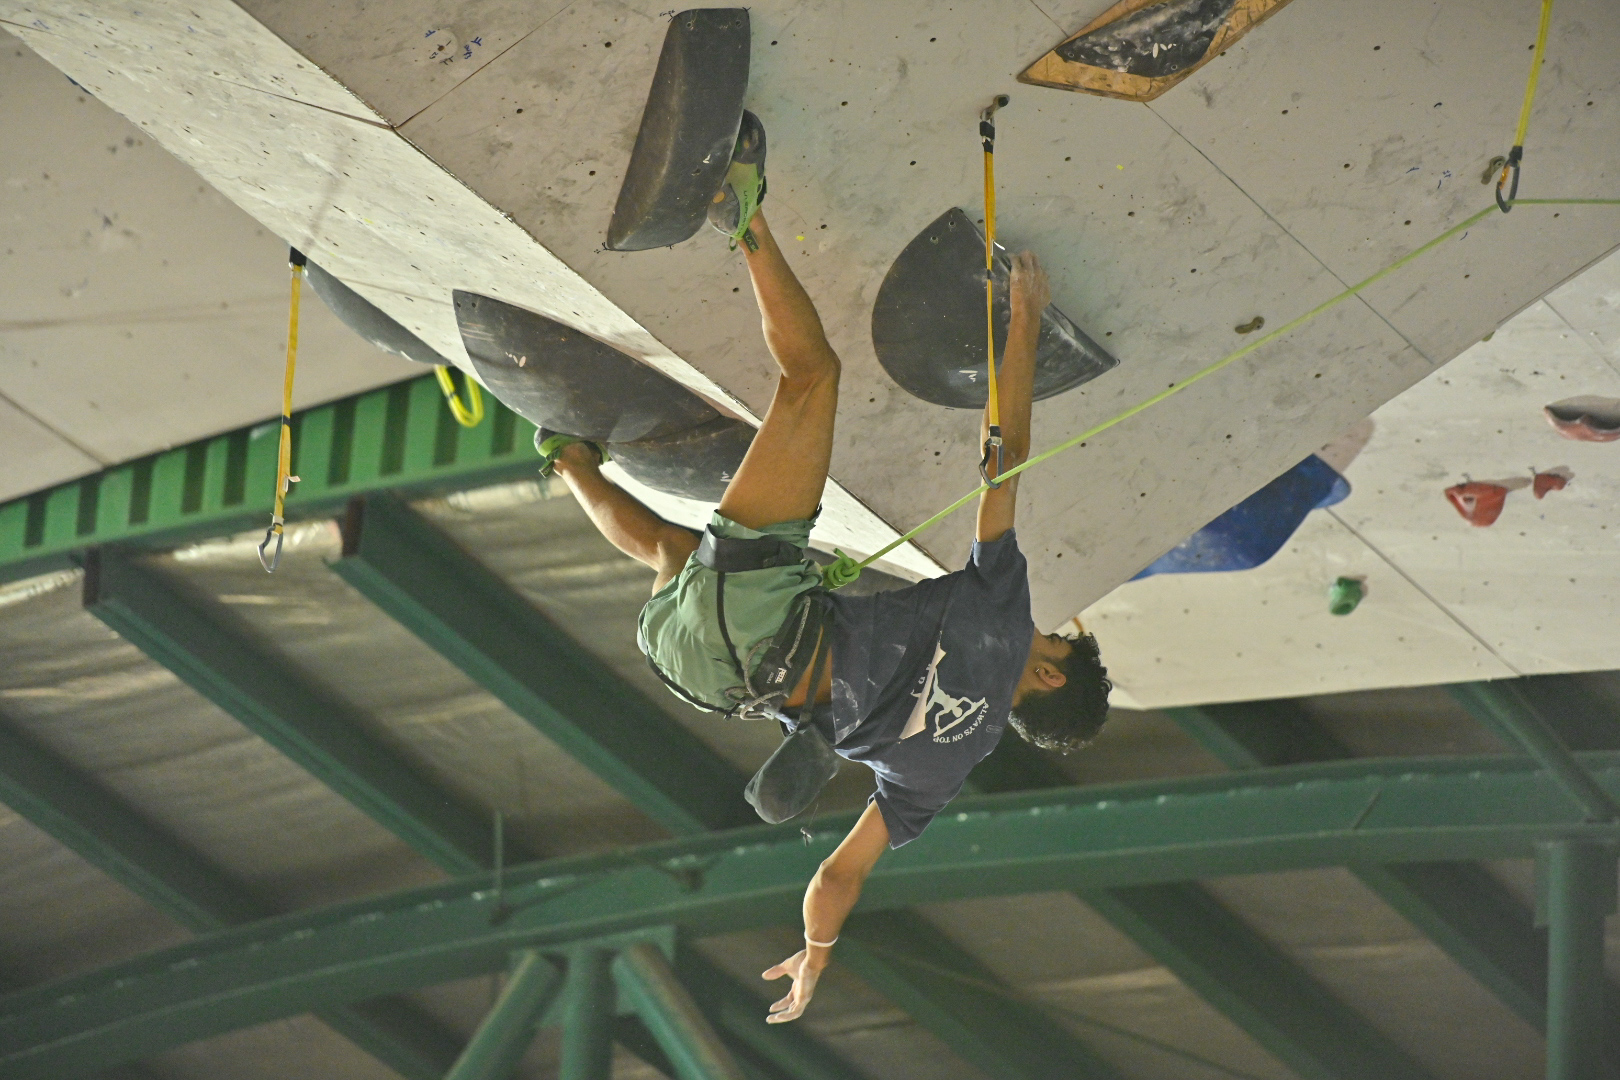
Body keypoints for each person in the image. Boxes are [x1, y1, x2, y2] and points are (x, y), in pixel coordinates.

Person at [544, 115, 1110, 1023]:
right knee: (675, 555)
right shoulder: (941, 776)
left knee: (812, 377)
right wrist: (813, 957)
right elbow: (836, 879)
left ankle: (743, 212)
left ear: (1047, 674)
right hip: (707, 676)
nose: (1043, 632)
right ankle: (568, 460)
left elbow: (1002, 463)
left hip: (766, 617)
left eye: (1057, 643)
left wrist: (1025, 326)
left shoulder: (1004, 619)